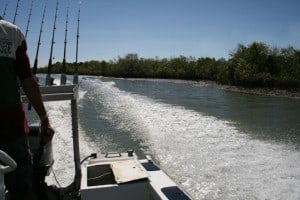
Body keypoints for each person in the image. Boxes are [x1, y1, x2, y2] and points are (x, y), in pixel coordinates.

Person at [0, 16, 55, 200]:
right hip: (11, 129)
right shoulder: (12, 32)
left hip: (12, 129)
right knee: (21, 190)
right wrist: (44, 119)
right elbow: (28, 81)